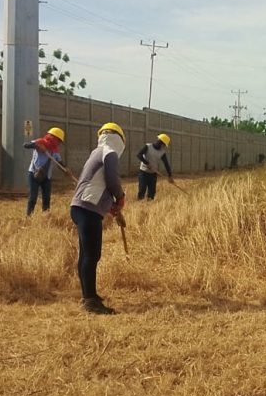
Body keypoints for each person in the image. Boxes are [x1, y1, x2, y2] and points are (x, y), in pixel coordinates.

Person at [70, 122, 126, 315]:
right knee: (92, 255)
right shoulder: (109, 152)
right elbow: (111, 179)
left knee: (86, 254)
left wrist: (111, 206)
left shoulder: (97, 151)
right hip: (88, 209)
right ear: (119, 139)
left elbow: (97, 185)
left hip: (80, 207)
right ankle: (90, 301)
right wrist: (120, 196)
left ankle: (88, 294)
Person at [23, 127, 65, 216]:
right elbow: (26, 145)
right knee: (33, 197)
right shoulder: (40, 142)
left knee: (46, 198)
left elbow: (60, 163)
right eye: (59, 141)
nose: (59, 143)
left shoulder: (55, 151)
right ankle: (29, 216)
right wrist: (37, 146)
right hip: (34, 174)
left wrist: (66, 170)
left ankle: (45, 217)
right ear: (54, 138)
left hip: (46, 177)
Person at [136, 133, 173, 200]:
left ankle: (149, 206)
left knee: (152, 193)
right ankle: (140, 205)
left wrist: (170, 175)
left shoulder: (162, 152)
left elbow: (166, 164)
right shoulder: (147, 146)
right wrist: (147, 163)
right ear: (161, 143)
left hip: (153, 174)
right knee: (142, 190)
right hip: (143, 172)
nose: (164, 147)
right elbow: (139, 155)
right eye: (164, 145)